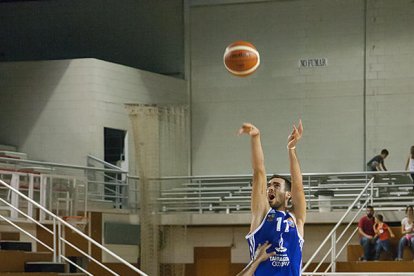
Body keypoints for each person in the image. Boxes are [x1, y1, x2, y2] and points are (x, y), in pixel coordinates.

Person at [239, 120, 305, 276]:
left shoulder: (296, 219)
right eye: (269, 185)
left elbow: (298, 186)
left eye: (276, 185)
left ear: (288, 194)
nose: (270, 187)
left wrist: (291, 148)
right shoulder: (261, 215)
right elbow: (259, 173)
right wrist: (256, 137)